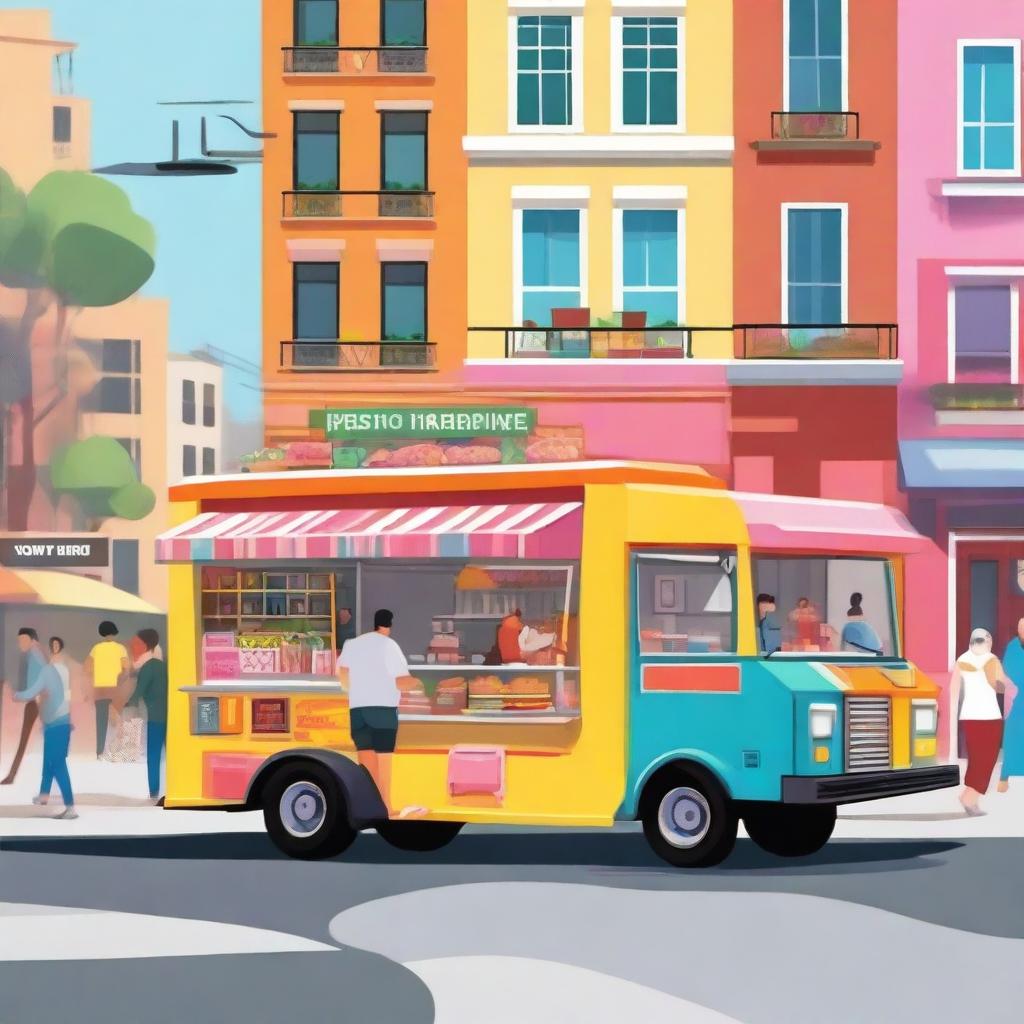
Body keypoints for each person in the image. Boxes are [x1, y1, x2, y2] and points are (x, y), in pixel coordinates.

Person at [336, 609, 424, 819]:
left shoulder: (352, 644)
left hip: (357, 710)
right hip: (382, 711)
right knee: (384, 760)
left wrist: (360, 690)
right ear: (389, 625)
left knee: (365, 760)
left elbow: (343, 677)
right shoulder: (389, 645)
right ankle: (385, 807)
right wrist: (420, 684)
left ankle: (367, 808)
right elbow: (401, 682)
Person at [15, 636, 76, 819]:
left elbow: (34, 691)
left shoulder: (49, 671)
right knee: (50, 760)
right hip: (57, 723)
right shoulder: (52, 671)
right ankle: (44, 795)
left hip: (57, 723)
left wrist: (15, 695)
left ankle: (70, 806)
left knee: (56, 763)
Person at [950, 627, 1008, 814]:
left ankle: (970, 799)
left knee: (975, 759)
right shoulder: (991, 660)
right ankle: (968, 798)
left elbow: (954, 691)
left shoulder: (961, 660)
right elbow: (1000, 688)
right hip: (989, 716)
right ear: (988, 641)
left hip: (969, 716)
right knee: (986, 760)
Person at [0, 628, 47, 785]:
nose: (21, 643)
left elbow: (37, 686)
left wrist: (18, 696)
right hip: (36, 702)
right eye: (20, 640)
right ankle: (12, 775)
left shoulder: (35, 657)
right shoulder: (31, 656)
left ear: (34, 641)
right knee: (25, 739)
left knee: (29, 739)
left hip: (39, 702)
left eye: (24, 640)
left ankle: (12, 775)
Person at [126, 628, 167, 804]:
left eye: (136, 644)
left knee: (153, 755)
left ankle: (154, 791)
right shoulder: (162, 665)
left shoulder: (147, 668)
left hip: (156, 717)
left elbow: (137, 694)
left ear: (145, 646)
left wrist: (125, 706)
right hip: (170, 716)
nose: (132, 647)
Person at [85, 621, 128, 759]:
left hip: (100, 688)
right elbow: (126, 668)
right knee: (116, 719)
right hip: (114, 688)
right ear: (115, 632)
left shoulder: (96, 648)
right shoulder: (120, 648)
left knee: (101, 720)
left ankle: (99, 752)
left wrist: (96, 676)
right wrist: (120, 680)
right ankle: (116, 751)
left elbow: (87, 668)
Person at [998, 617, 1024, 792]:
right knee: (1013, 739)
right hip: (1016, 703)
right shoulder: (1012, 647)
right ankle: (1005, 778)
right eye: (1020, 629)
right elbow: (1006, 673)